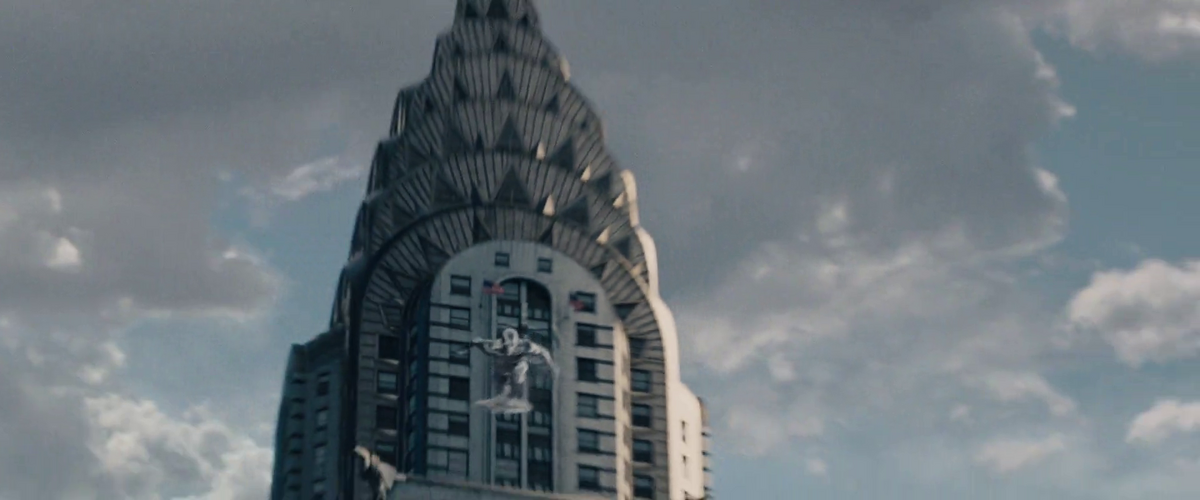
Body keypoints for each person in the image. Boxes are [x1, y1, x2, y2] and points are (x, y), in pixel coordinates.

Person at [469, 327, 559, 414]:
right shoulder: (498, 345)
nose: (508, 349)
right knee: (500, 369)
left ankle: (515, 395)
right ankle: (504, 394)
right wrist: (477, 343)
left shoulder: (525, 345)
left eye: (510, 347)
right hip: (505, 364)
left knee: (520, 368)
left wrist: (552, 366)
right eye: (505, 347)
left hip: (518, 363)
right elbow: (486, 346)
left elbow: (544, 352)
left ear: (515, 344)